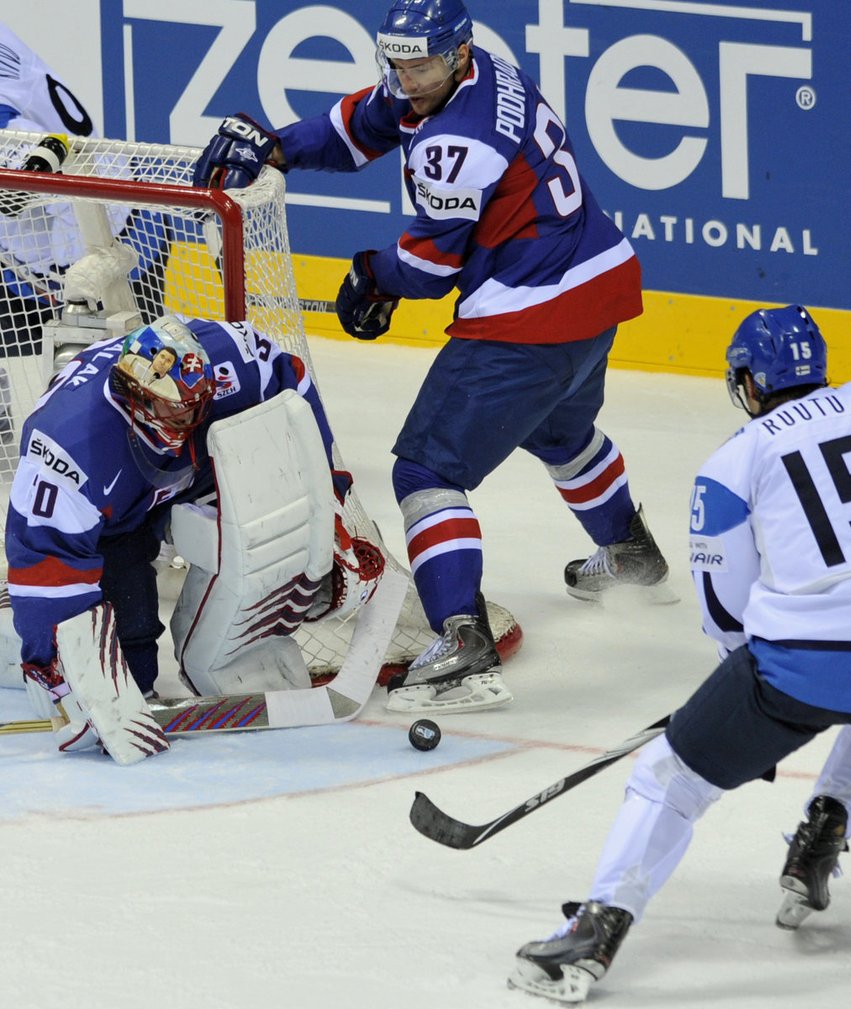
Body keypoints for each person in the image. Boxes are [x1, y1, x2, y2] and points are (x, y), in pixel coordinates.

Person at [507, 305, 851, 1004]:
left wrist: (745, 705)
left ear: (750, 383)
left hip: (806, 669)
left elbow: (727, 612)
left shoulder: (733, 461)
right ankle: (830, 821)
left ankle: (595, 929)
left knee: (673, 774)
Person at [191, 0, 672, 715]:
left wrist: (371, 279)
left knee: (427, 468)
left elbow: (428, 263)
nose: (408, 78)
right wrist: (279, 147)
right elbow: (363, 123)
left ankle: (461, 642)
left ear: (458, 53)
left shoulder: (460, 142)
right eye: (401, 62)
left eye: (423, 64)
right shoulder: (479, 75)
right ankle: (630, 551)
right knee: (560, 430)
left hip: (530, 313)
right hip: (595, 288)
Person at [4, 313, 376, 753]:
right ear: (132, 395)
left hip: (194, 474)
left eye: (189, 409)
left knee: (271, 541)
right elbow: (44, 564)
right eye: (166, 411)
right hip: (115, 511)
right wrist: (62, 676)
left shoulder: (226, 360)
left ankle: (245, 651)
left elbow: (290, 380)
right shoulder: (67, 449)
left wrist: (327, 497)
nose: (178, 427)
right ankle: (19, 646)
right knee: (132, 671)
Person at [0, 22, 169, 357]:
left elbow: (25, 183)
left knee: (136, 374)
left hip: (103, 238)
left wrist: (70, 283)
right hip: (96, 215)